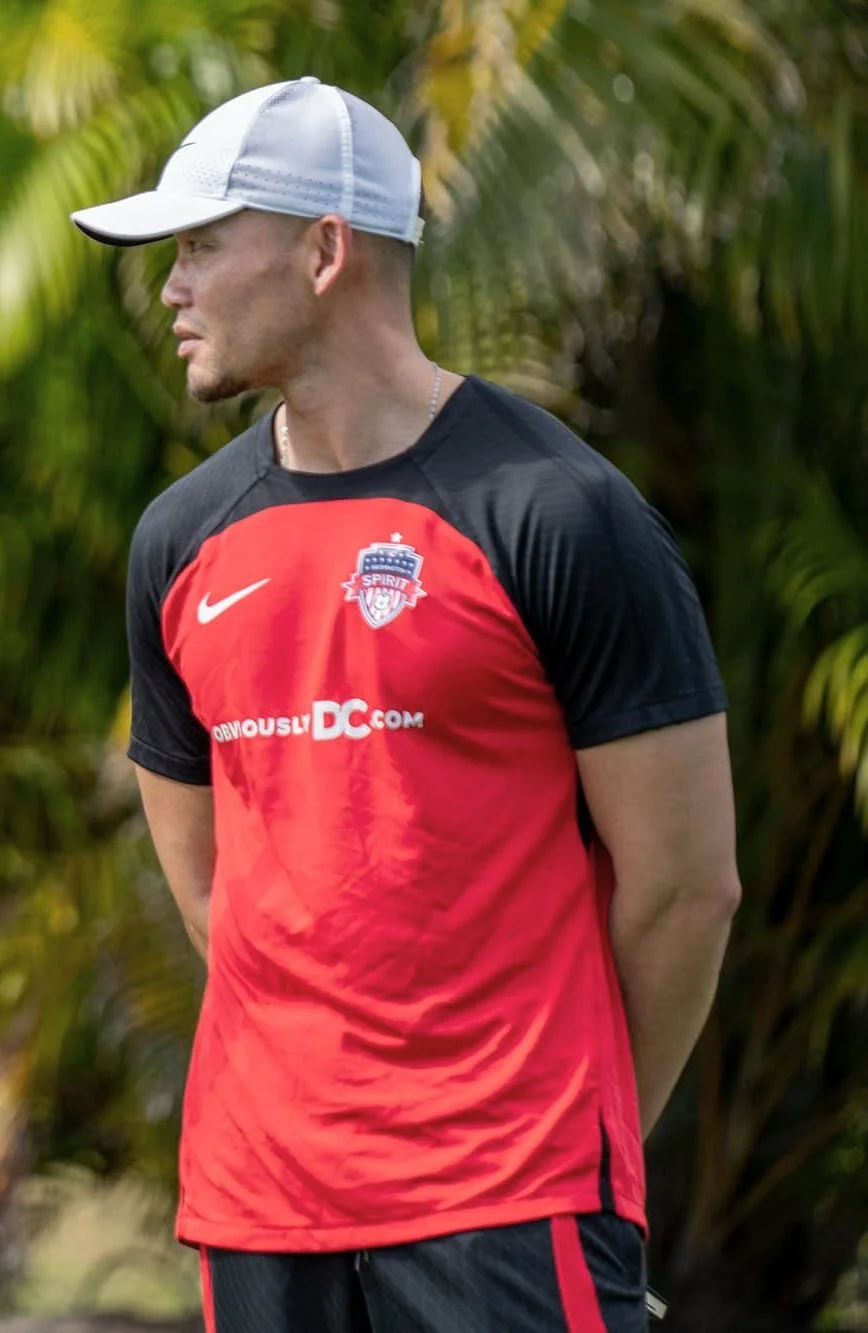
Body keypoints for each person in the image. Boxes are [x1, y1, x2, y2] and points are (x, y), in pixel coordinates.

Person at [71, 77, 740, 1332]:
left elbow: (685, 886)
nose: (168, 288)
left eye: (201, 247)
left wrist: (577, 1144)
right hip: (256, 1205)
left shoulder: (556, 512)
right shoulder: (178, 540)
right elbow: (219, 895)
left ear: (325, 250)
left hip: (513, 1196)